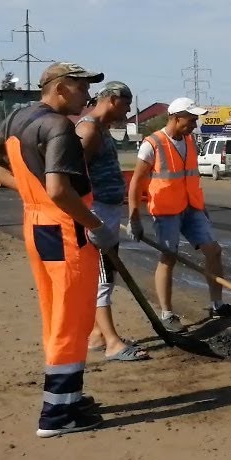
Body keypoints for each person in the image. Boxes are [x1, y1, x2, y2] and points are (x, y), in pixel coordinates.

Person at [0, 61, 119, 437]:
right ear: (59, 89)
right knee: (71, 320)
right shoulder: (59, 127)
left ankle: (68, 398)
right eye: (81, 88)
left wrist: (29, 191)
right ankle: (57, 416)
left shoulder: (17, 119)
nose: (88, 96)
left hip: (37, 226)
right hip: (65, 230)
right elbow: (60, 190)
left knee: (56, 314)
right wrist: (96, 225)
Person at [127, 97, 231, 331]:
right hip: (166, 210)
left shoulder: (190, 141)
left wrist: (202, 208)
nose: (194, 124)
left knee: (214, 250)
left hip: (192, 208)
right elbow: (136, 183)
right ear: (175, 117)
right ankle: (167, 314)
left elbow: (191, 178)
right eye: (191, 120)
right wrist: (134, 218)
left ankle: (217, 305)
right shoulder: (153, 143)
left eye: (195, 120)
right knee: (168, 257)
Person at [76, 81, 149, 361]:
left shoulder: (101, 129)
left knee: (105, 275)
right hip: (97, 212)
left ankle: (97, 335)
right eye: (127, 105)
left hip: (105, 210)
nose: (129, 110)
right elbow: (74, 172)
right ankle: (112, 343)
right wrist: (90, 216)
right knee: (104, 278)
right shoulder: (89, 128)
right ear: (114, 100)